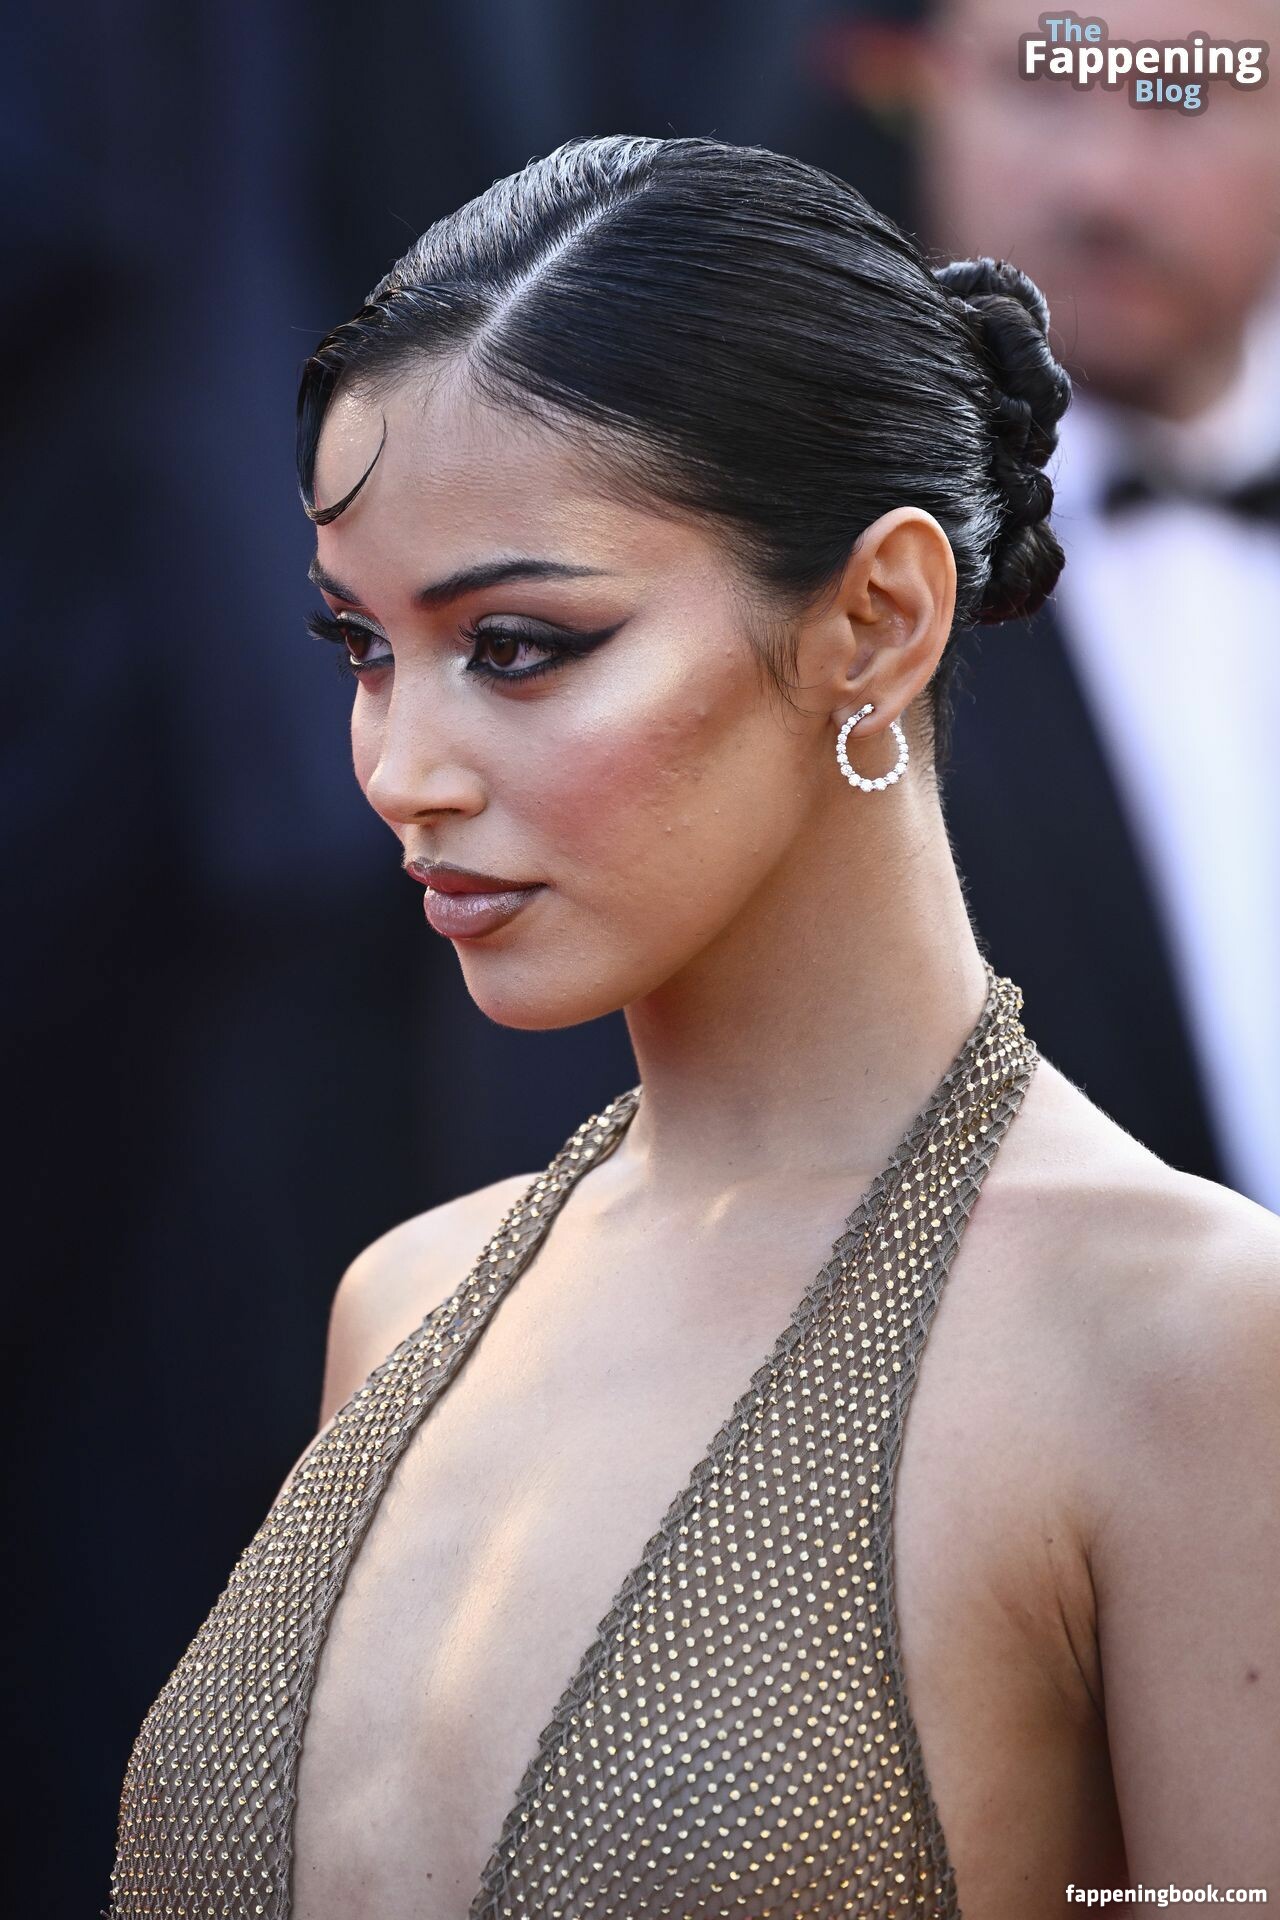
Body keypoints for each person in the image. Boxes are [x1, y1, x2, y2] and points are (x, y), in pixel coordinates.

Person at [107, 136, 1280, 1918]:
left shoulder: (1190, 1349)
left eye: (518, 646)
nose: (403, 771)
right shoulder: (406, 1304)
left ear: (878, 618)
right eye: (363, 648)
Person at [912, 0, 1280, 1212]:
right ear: (932, 89)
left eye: (1185, 92)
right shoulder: (788, 550)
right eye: (1040, 85)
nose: (1101, 181)